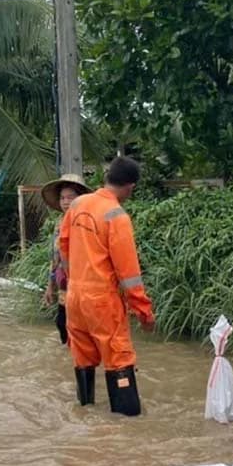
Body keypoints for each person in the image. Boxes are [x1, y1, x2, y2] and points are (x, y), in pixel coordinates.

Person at [58, 157, 154, 416]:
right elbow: (129, 274)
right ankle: (127, 426)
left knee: (83, 357)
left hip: (75, 298)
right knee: (119, 359)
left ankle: (85, 411)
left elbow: (63, 245)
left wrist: (73, 278)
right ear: (130, 187)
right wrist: (144, 312)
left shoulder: (77, 204)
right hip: (102, 301)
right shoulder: (117, 216)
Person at [42, 174, 92, 345]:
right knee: (62, 324)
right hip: (64, 283)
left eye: (71, 197)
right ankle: (71, 361)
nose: (65, 201)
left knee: (82, 328)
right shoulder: (59, 224)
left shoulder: (87, 223)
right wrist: (50, 286)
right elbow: (55, 257)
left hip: (84, 284)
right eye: (62, 197)